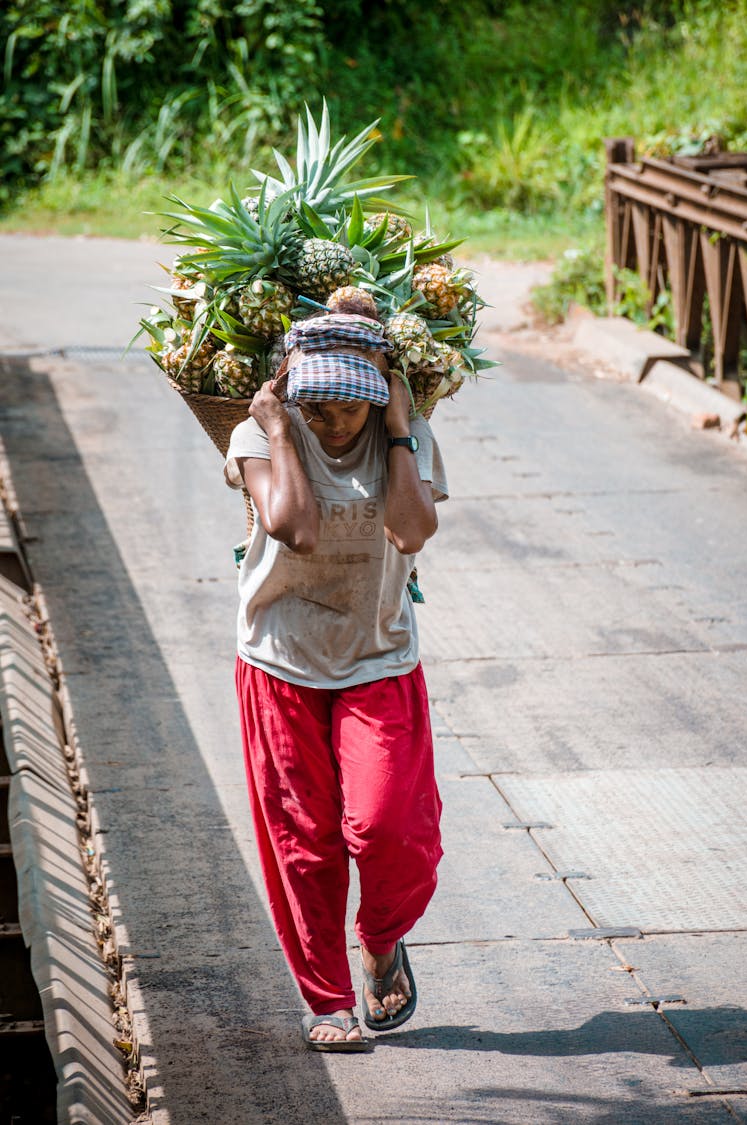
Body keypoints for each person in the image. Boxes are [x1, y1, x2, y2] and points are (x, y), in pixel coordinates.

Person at [224, 310, 448, 1051]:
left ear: (379, 393)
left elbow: (411, 531)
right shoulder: (262, 436)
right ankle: (326, 997)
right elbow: (297, 527)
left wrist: (398, 431)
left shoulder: (399, 439)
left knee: (388, 827)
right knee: (304, 840)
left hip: (376, 652)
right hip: (281, 656)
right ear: (290, 393)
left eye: (351, 402)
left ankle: (381, 941)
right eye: (316, 403)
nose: (334, 419)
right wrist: (282, 431)